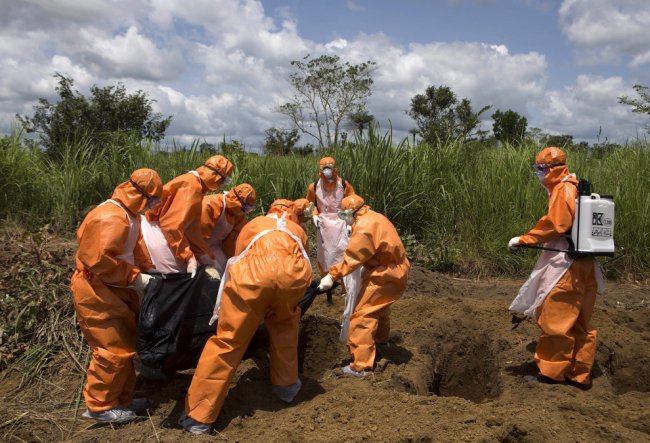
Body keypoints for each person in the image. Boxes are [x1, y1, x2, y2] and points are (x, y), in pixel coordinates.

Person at [179, 199, 312, 434]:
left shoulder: (256, 223)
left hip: (253, 277)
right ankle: (286, 387)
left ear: (272, 209)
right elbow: (303, 256)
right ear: (294, 214)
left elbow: (239, 253)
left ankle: (199, 416)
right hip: (292, 277)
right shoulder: (298, 230)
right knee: (284, 327)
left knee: (228, 341)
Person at [71, 169, 163, 423]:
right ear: (140, 194)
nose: (154, 204)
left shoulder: (129, 216)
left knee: (125, 345)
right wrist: (135, 277)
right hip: (96, 289)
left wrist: (151, 269)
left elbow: (135, 248)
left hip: (115, 288)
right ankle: (100, 406)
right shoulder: (110, 217)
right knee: (111, 348)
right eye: (153, 198)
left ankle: (122, 400)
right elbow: (97, 260)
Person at [508, 146, 603, 389]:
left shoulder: (563, 189)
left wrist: (525, 239)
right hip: (587, 265)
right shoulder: (579, 187)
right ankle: (580, 374)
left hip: (566, 265)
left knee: (555, 319)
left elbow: (556, 223)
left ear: (552, 169)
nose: (539, 174)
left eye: (541, 169)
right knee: (581, 322)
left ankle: (551, 373)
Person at [318, 195, 410, 377]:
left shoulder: (364, 227)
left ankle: (361, 366)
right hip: (397, 269)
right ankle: (380, 342)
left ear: (352, 211)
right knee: (379, 308)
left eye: (344, 214)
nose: (344, 218)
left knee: (362, 315)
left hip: (385, 274)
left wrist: (332, 276)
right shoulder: (374, 217)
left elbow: (353, 257)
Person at [140, 155, 233, 274]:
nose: (222, 185)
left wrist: (207, 257)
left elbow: (191, 229)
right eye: (223, 181)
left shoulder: (196, 186)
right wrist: (188, 258)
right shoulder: (192, 187)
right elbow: (171, 225)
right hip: (157, 235)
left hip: (163, 234)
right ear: (215, 176)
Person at [305, 157, 356, 276]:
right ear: (320, 170)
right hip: (323, 224)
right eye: (324, 169)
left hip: (341, 222)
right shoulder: (314, 186)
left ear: (334, 169)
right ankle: (326, 281)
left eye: (329, 168)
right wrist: (314, 216)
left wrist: (350, 224)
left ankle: (344, 284)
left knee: (343, 252)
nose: (327, 172)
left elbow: (352, 204)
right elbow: (310, 204)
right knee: (324, 255)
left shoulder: (344, 185)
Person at [201, 183, 257, 273]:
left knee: (229, 270)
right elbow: (196, 236)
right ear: (238, 201)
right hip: (196, 245)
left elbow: (233, 243)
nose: (247, 213)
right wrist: (208, 259)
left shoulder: (239, 215)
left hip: (215, 247)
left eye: (250, 209)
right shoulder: (210, 204)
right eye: (247, 208)